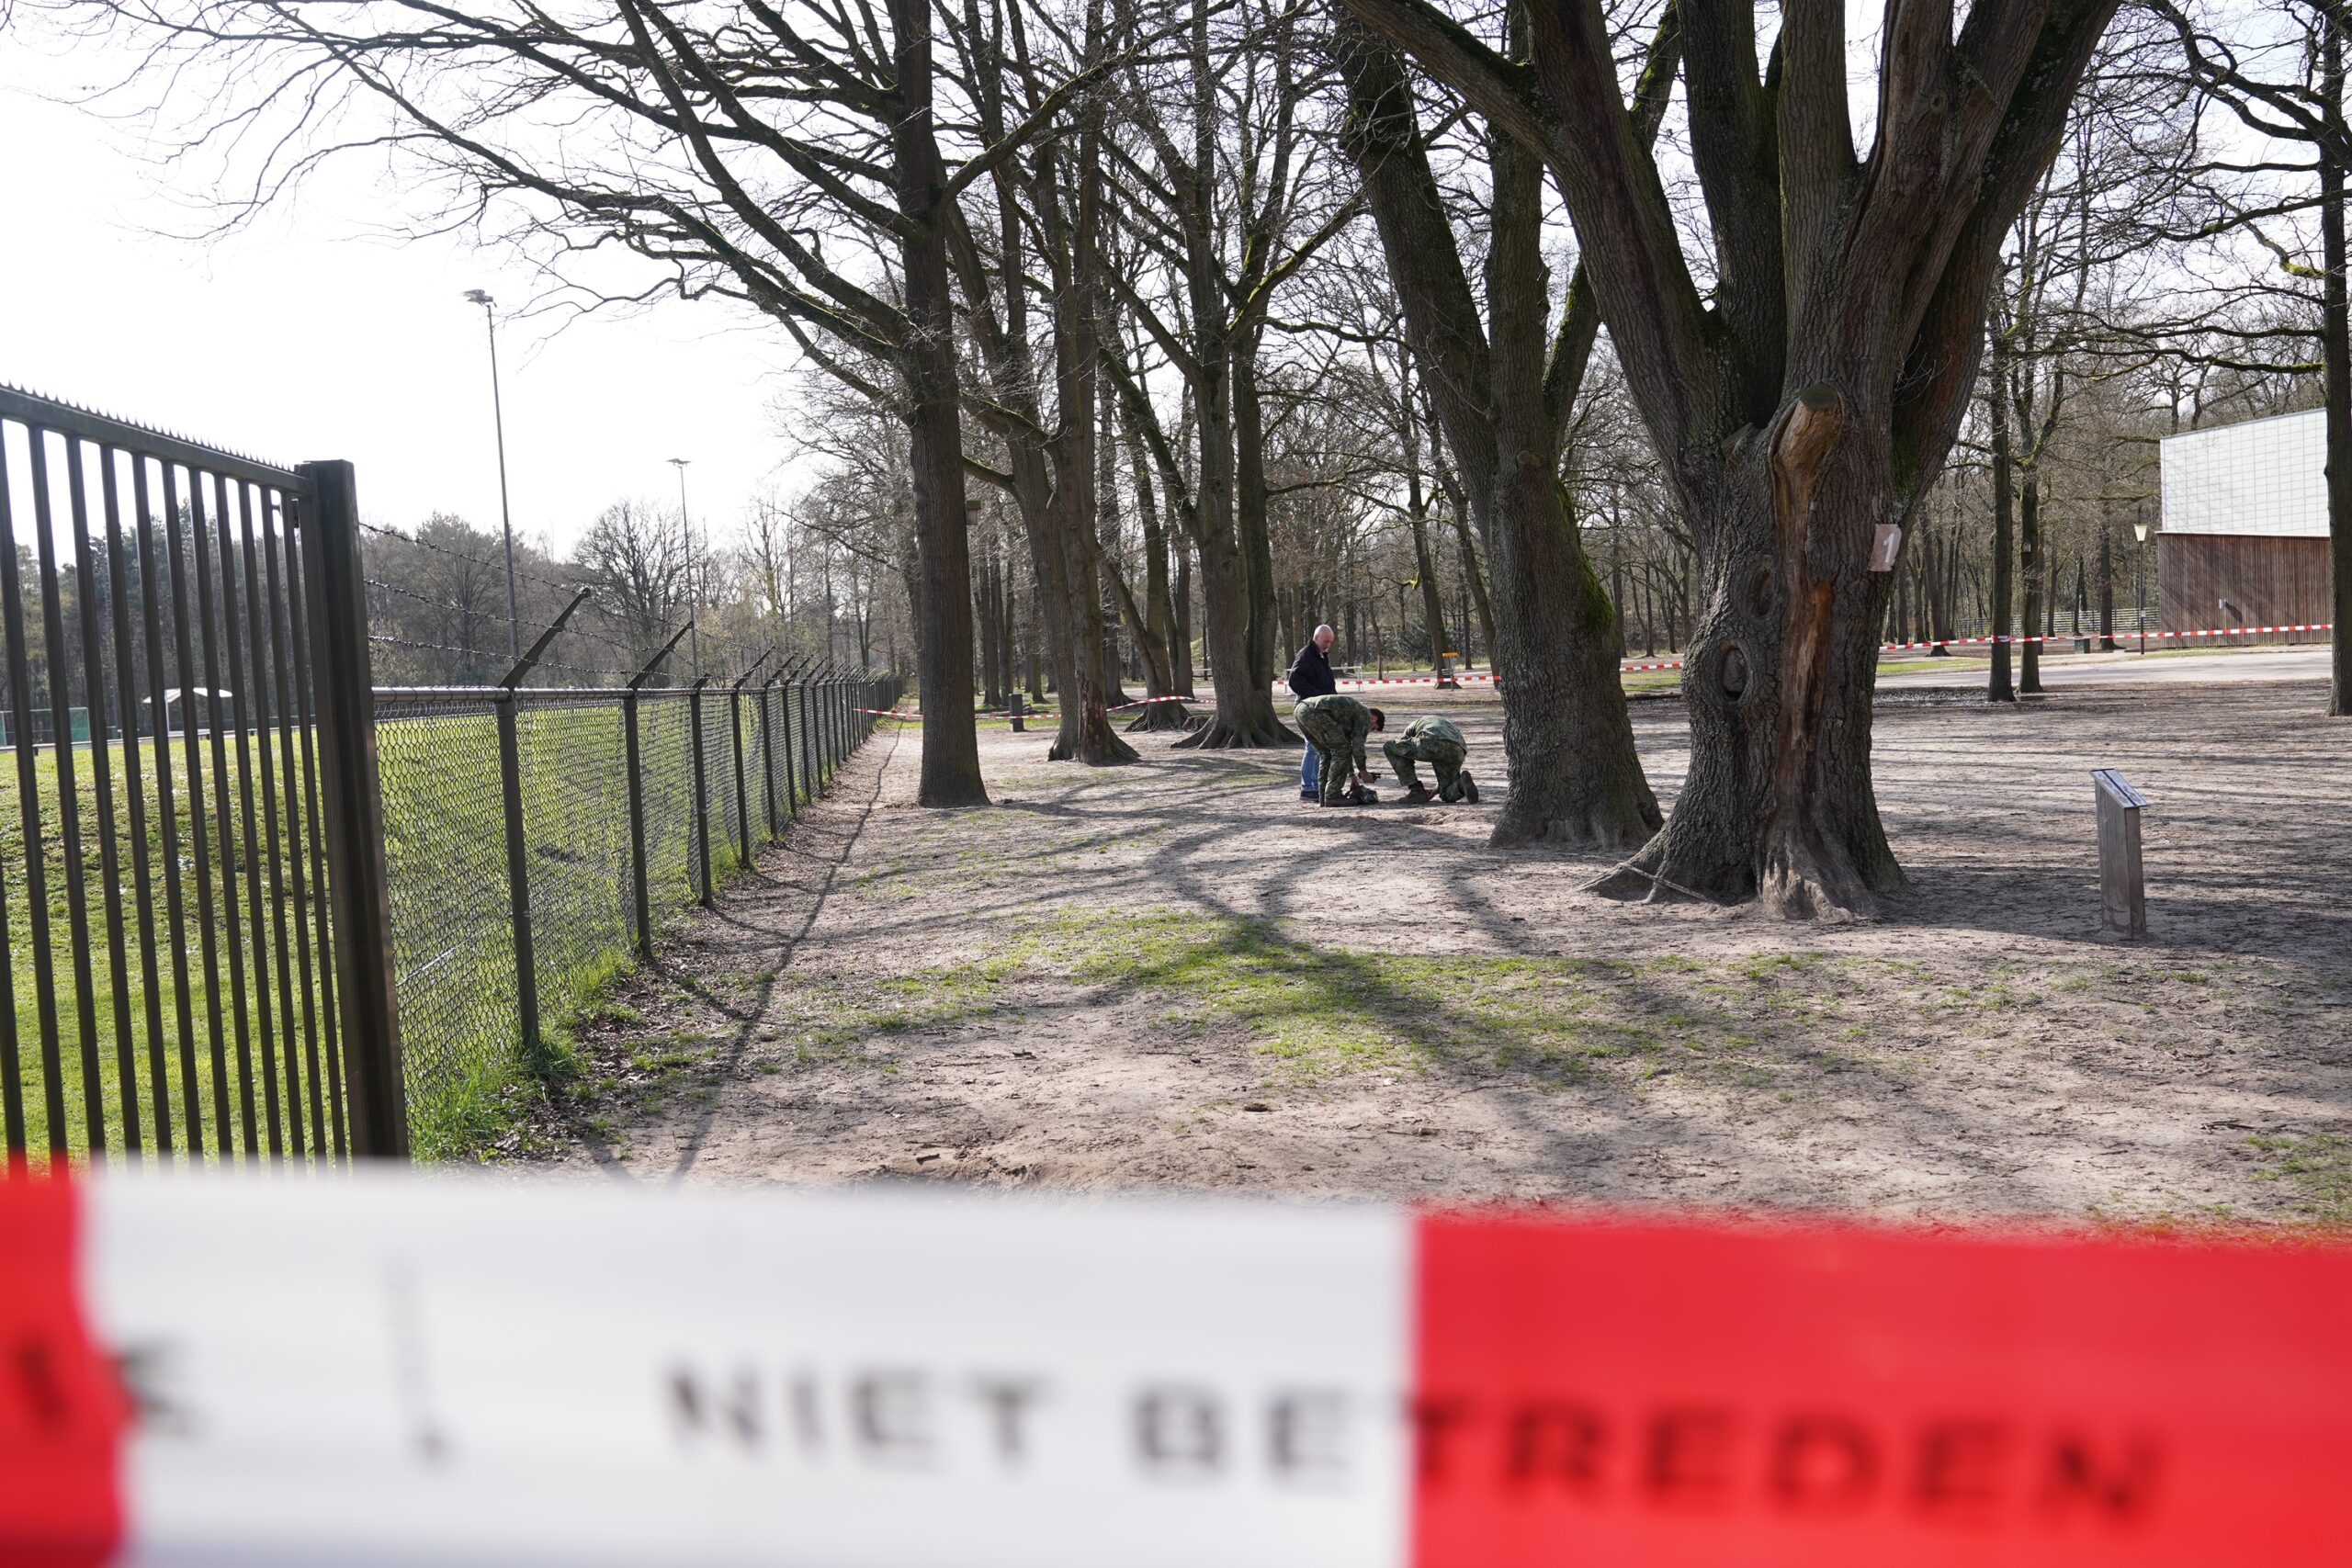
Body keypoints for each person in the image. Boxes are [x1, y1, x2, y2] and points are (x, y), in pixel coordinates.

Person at [1292, 694, 1385, 807]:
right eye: (1373, 728)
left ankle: (1323, 797)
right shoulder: (1364, 715)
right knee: (1341, 749)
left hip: (1300, 710)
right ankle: (1333, 796)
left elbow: (1346, 747)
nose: (1369, 731)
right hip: (1315, 711)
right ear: (1374, 718)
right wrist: (1364, 772)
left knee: (1326, 753)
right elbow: (1357, 747)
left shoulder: (1350, 717)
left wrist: (1352, 775)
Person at [1285, 624, 1338, 800]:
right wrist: (1316, 696)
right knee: (1312, 748)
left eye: (1330, 642)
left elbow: (1327, 683)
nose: (1328, 645)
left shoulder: (1322, 656)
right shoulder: (1306, 655)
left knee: (1318, 747)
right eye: (1326, 641)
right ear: (1316, 638)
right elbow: (1294, 681)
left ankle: (1315, 785)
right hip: (1307, 708)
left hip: (1320, 707)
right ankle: (1307, 787)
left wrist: (1333, 699)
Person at [1384, 715, 1479, 805]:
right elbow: (1444, 747)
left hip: (1432, 742)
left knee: (1389, 747)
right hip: (1458, 750)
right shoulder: (1442, 723)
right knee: (1445, 793)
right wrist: (1435, 790)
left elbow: (1402, 749)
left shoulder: (1410, 729)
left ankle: (1416, 791)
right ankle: (1460, 785)